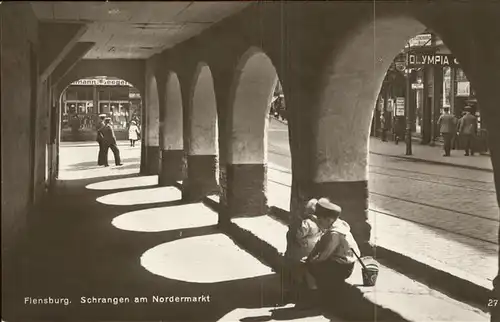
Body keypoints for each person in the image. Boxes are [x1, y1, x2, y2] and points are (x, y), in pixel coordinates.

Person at [302, 198, 360, 291]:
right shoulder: (335, 225)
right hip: (337, 262)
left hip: (343, 267)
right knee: (310, 265)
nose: (319, 223)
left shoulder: (335, 233)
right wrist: (310, 258)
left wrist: (313, 261)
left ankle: (315, 295)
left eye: (320, 221)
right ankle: (317, 293)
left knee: (311, 268)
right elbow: (319, 245)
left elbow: (326, 253)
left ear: (328, 220)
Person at [283, 199, 323, 300]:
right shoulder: (320, 223)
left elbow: (297, 235)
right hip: (313, 250)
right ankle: (312, 293)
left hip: (302, 251)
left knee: (296, 270)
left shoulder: (307, 223)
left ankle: (294, 292)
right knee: (310, 275)